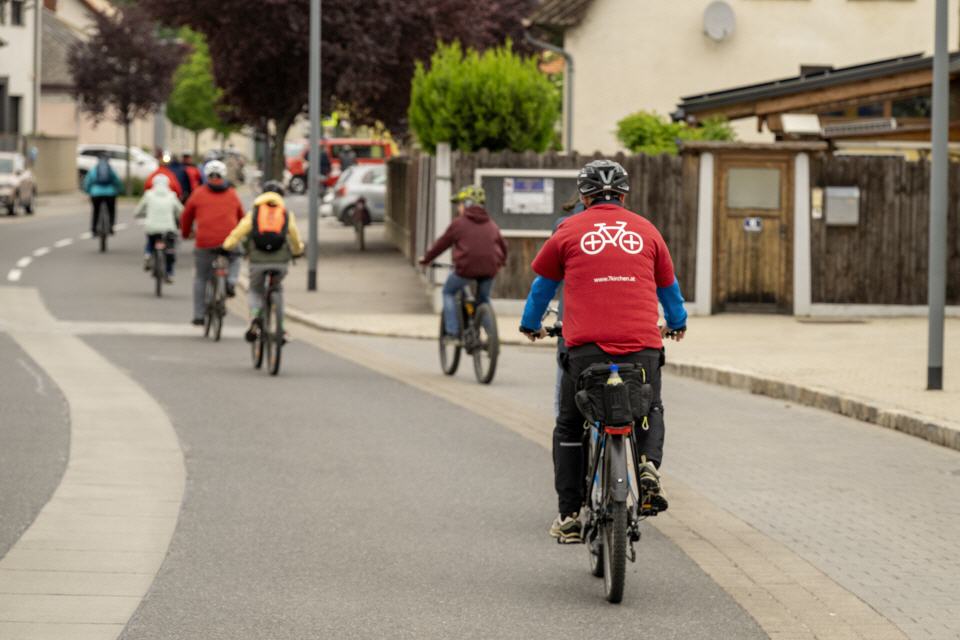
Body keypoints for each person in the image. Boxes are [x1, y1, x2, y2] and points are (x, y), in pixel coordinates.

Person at [518, 159, 688, 544]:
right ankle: (647, 465)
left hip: (585, 351)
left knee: (570, 423)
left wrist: (530, 324)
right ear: (625, 195)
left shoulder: (567, 230)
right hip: (641, 347)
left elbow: (542, 289)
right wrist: (677, 323)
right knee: (648, 407)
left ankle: (570, 514)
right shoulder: (647, 230)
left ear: (583, 196)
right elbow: (669, 290)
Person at [417, 185, 508, 339]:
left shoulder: (459, 223)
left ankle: (452, 332)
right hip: (489, 269)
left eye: (459, 204)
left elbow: (441, 244)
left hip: (465, 269)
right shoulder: (491, 224)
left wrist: (426, 259)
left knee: (448, 292)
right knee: (483, 299)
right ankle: (492, 338)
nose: (458, 208)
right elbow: (503, 247)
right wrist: (501, 263)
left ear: (466, 204)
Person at [221, 180, 304, 342]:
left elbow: (239, 232)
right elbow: (294, 236)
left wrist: (226, 246)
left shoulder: (255, 212)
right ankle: (281, 326)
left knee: (254, 290)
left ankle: (255, 318)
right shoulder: (285, 213)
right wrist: (297, 251)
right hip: (280, 261)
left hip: (257, 260)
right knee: (277, 288)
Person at [180, 160, 245, 326]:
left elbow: (186, 216)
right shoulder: (232, 193)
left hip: (205, 242)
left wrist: (186, 233)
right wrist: (240, 236)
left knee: (201, 277)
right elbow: (242, 218)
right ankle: (230, 281)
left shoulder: (198, 193)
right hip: (229, 241)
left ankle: (199, 315)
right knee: (237, 257)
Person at [134, 174, 183, 282]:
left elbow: (138, 210)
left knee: (150, 242)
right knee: (170, 249)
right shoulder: (172, 195)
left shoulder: (149, 194)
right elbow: (181, 211)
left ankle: (147, 254)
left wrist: (140, 214)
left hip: (152, 226)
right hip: (168, 228)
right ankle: (169, 273)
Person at [82, 156, 123, 235]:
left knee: (96, 211)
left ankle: (94, 229)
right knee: (111, 210)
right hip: (110, 193)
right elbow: (117, 181)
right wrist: (119, 190)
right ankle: (111, 226)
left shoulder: (93, 170)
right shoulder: (110, 170)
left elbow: (87, 182)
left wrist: (88, 191)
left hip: (96, 193)